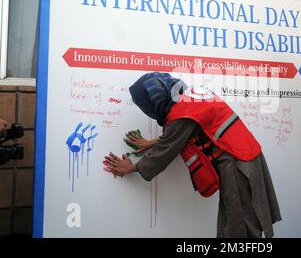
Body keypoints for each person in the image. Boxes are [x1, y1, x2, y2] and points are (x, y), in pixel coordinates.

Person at [103, 72, 281, 238]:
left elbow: (166, 150)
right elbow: (190, 129)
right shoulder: (192, 97)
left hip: (238, 166)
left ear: (154, 100)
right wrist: (152, 142)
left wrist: (131, 168)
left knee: (241, 228)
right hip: (247, 157)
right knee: (236, 222)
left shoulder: (181, 115)